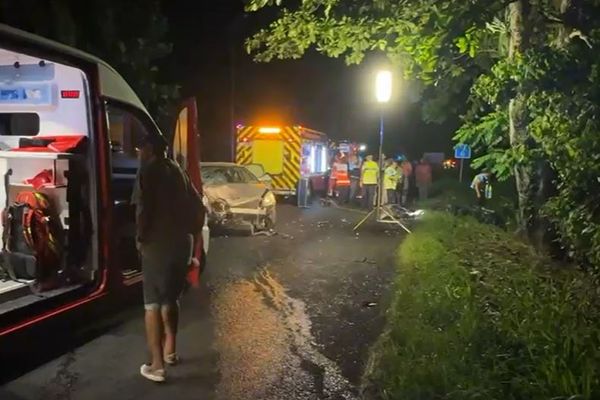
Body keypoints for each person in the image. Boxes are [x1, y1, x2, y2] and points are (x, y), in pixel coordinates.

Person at [133, 134, 195, 383]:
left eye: (139, 148)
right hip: (182, 242)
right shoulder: (179, 171)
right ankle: (170, 351)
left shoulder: (147, 172)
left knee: (152, 305)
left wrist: (139, 239)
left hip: (158, 244)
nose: (138, 153)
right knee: (171, 298)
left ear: (149, 149)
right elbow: (197, 205)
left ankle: (157, 366)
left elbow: (142, 210)